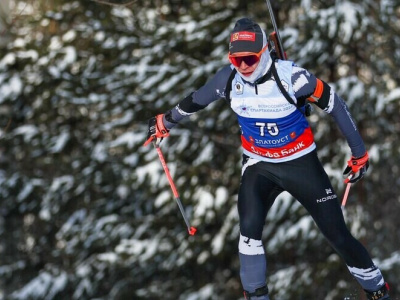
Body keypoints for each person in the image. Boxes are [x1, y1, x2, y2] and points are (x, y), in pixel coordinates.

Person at [143, 17, 391, 300]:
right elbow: (196, 100)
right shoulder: (228, 79)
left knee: (337, 235)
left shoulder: (294, 78)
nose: (244, 67)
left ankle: (377, 291)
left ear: (264, 52)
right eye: (237, 60)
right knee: (248, 233)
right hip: (259, 166)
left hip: (301, 164)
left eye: (250, 58)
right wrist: (166, 121)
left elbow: (337, 107)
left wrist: (359, 153)